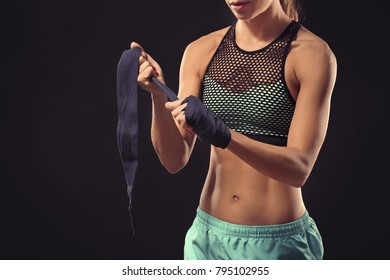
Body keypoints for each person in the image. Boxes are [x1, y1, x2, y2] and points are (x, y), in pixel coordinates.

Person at [130, 0, 337, 260]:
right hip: (206, 241)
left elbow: (299, 169)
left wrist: (224, 136)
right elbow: (175, 159)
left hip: (277, 246)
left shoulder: (311, 54)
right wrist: (157, 96)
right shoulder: (200, 50)